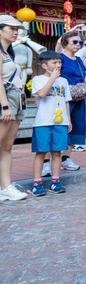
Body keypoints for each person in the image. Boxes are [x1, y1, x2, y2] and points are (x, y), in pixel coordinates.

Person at [30, 51, 72, 196]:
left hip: (60, 122)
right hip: (43, 122)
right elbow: (41, 94)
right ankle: (37, 183)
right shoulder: (38, 79)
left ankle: (55, 181)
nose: (58, 65)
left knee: (57, 152)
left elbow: (66, 101)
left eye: (59, 62)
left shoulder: (64, 81)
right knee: (41, 152)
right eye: (54, 63)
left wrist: (68, 120)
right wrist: (52, 78)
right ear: (44, 65)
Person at [0, 15, 28, 201]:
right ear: (0, 30)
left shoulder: (10, 52)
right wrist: (4, 106)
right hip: (6, 100)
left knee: (7, 146)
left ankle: (6, 187)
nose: (15, 32)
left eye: (17, 29)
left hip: (17, 99)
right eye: (11, 28)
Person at [56, 29, 86, 170]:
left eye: (80, 43)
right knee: (62, 127)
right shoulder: (60, 57)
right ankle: (49, 161)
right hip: (64, 97)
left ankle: (66, 158)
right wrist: (70, 30)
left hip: (79, 97)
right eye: (74, 41)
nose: (78, 44)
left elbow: (82, 78)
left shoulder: (79, 59)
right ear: (65, 43)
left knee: (76, 127)